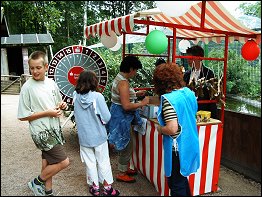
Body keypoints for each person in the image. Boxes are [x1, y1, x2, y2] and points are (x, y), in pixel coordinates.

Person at [17, 51, 70, 196]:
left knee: (47, 162)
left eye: (38, 67)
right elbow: (23, 116)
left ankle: (48, 191)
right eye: (32, 68)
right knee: (64, 162)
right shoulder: (27, 88)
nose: (34, 71)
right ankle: (36, 182)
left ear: (46, 67)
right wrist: (48, 113)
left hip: (54, 128)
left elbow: (57, 103)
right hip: (41, 132)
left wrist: (62, 105)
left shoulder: (51, 83)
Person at [152, 63, 200, 196]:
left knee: (175, 184)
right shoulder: (189, 93)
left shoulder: (168, 99)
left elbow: (173, 129)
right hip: (190, 142)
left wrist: (160, 129)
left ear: (160, 82)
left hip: (178, 148)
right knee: (182, 179)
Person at [73, 70, 120, 196]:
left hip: (84, 136)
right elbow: (107, 116)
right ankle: (107, 188)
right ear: (94, 82)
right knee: (103, 160)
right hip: (99, 135)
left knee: (90, 162)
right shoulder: (97, 97)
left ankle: (94, 187)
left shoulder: (75, 95)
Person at [107, 55, 150, 183]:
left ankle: (124, 168)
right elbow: (126, 105)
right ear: (131, 68)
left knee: (124, 142)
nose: (135, 73)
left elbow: (122, 96)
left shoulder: (119, 78)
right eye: (135, 70)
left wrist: (135, 94)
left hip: (117, 114)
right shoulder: (124, 83)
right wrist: (142, 103)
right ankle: (121, 172)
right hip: (122, 117)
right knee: (126, 144)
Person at [183, 45, 218, 119]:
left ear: (199, 58)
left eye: (190, 58)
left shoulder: (209, 73)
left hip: (203, 111)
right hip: (188, 110)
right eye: (188, 58)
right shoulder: (186, 74)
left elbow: (212, 95)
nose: (188, 60)